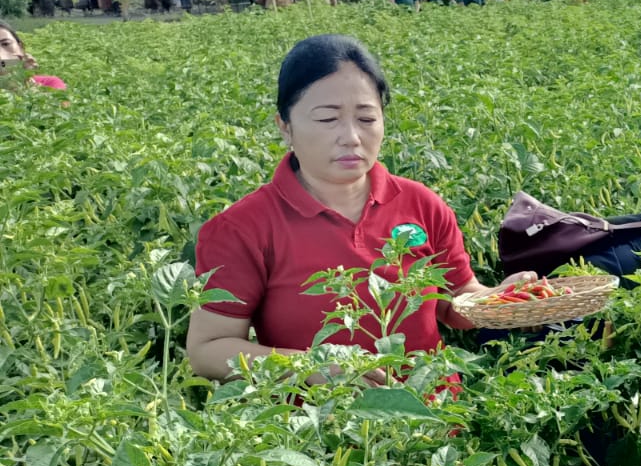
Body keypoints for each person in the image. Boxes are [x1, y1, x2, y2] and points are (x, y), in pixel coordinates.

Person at [188, 35, 543, 383]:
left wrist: (501, 300)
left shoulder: (421, 203)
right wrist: (309, 367)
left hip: (432, 418)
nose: (352, 137)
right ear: (285, 126)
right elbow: (208, 349)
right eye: (328, 119)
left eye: (367, 119)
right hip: (318, 427)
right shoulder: (242, 228)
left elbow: (455, 303)